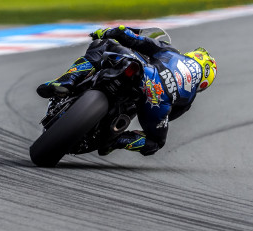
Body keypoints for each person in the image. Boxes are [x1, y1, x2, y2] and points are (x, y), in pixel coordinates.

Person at [36, 25, 217, 156]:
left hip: (144, 72)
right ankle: (118, 140)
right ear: (202, 84)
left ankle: (68, 80)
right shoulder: (189, 98)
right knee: (155, 143)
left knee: (103, 44)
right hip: (158, 102)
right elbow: (168, 116)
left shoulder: (171, 52)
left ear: (192, 56)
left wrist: (107, 32)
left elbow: (132, 38)